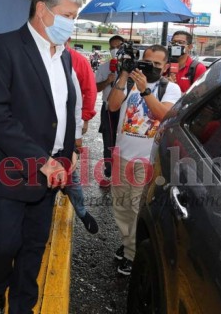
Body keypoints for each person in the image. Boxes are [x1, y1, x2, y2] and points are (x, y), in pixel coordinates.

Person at [0, 0, 82, 314]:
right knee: (2, 246)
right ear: (42, 10)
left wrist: (70, 153)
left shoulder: (64, 58)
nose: (72, 23)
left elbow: (64, 110)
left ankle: (22, 306)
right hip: (10, 168)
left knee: (34, 246)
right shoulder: (2, 47)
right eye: (67, 14)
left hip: (51, 173)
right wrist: (40, 160)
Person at [107, 44, 182, 275]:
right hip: (122, 156)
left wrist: (145, 91)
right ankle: (129, 244)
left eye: (156, 64)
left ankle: (133, 255)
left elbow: (164, 115)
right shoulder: (129, 81)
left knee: (137, 208)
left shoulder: (171, 88)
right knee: (120, 207)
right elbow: (112, 105)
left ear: (165, 66)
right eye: (147, 61)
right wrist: (123, 73)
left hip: (146, 161)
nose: (150, 67)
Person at [64, 41, 99, 233]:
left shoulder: (74, 61)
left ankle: (82, 212)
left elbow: (85, 95)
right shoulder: (29, 57)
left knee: (71, 175)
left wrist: (79, 130)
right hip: (35, 134)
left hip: (65, 133)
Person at [95, 35, 124, 183]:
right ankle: (109, 172)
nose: (115, 50)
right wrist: (108, 81)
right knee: (108, 141)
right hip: (108, 110)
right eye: (112, 47)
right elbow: (95, 88)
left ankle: (123, 173)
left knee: (123, 141)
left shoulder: (131, 67)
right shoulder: (104, 67)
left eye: (118, 47)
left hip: (125, 111)